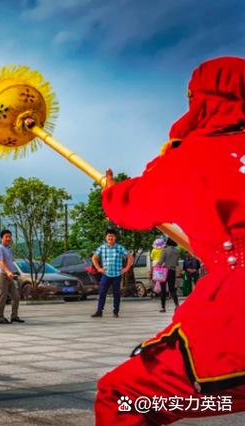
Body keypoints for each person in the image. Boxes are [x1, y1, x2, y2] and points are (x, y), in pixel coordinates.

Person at [95, 57, 245, 424]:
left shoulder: (195, 155)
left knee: (123, 397)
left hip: (237, 318)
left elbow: (133, 206)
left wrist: (110, 191)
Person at [91, 228, 133, 318]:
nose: (110, 238)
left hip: (117, 275)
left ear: (115, 237)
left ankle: (116, 311)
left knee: (116, 293)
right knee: (102, 292)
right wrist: (99, 268)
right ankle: (99, 311)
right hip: (106, 274)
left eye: (112, 236)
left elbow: (129, 256)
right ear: (106, 237)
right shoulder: (102, 248)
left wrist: (126, 268)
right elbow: (94, 257)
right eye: (109, 236)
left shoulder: (120, 248)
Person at [0, 229, 23, 324]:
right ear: (1, 238)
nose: (8, 238)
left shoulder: (9, 249)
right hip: (3, 275)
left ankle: (14, 316)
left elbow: (10, 262)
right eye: (6, 237)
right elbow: (1, 262)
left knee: (16, 296)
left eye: (9, 237)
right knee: (2, 297)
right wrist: (7, 272)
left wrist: (13, 272)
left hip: (10, 275)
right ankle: (0, 317)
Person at [157, 238, 181, 312]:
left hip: (164, 271)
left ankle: (163, 307)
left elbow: (161, 261)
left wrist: (157, 266)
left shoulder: (165, 250)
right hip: (172, 271)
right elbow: (176, 262)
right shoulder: (177, 251)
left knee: (163, 289)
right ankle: (177, 305)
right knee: (172, 289)